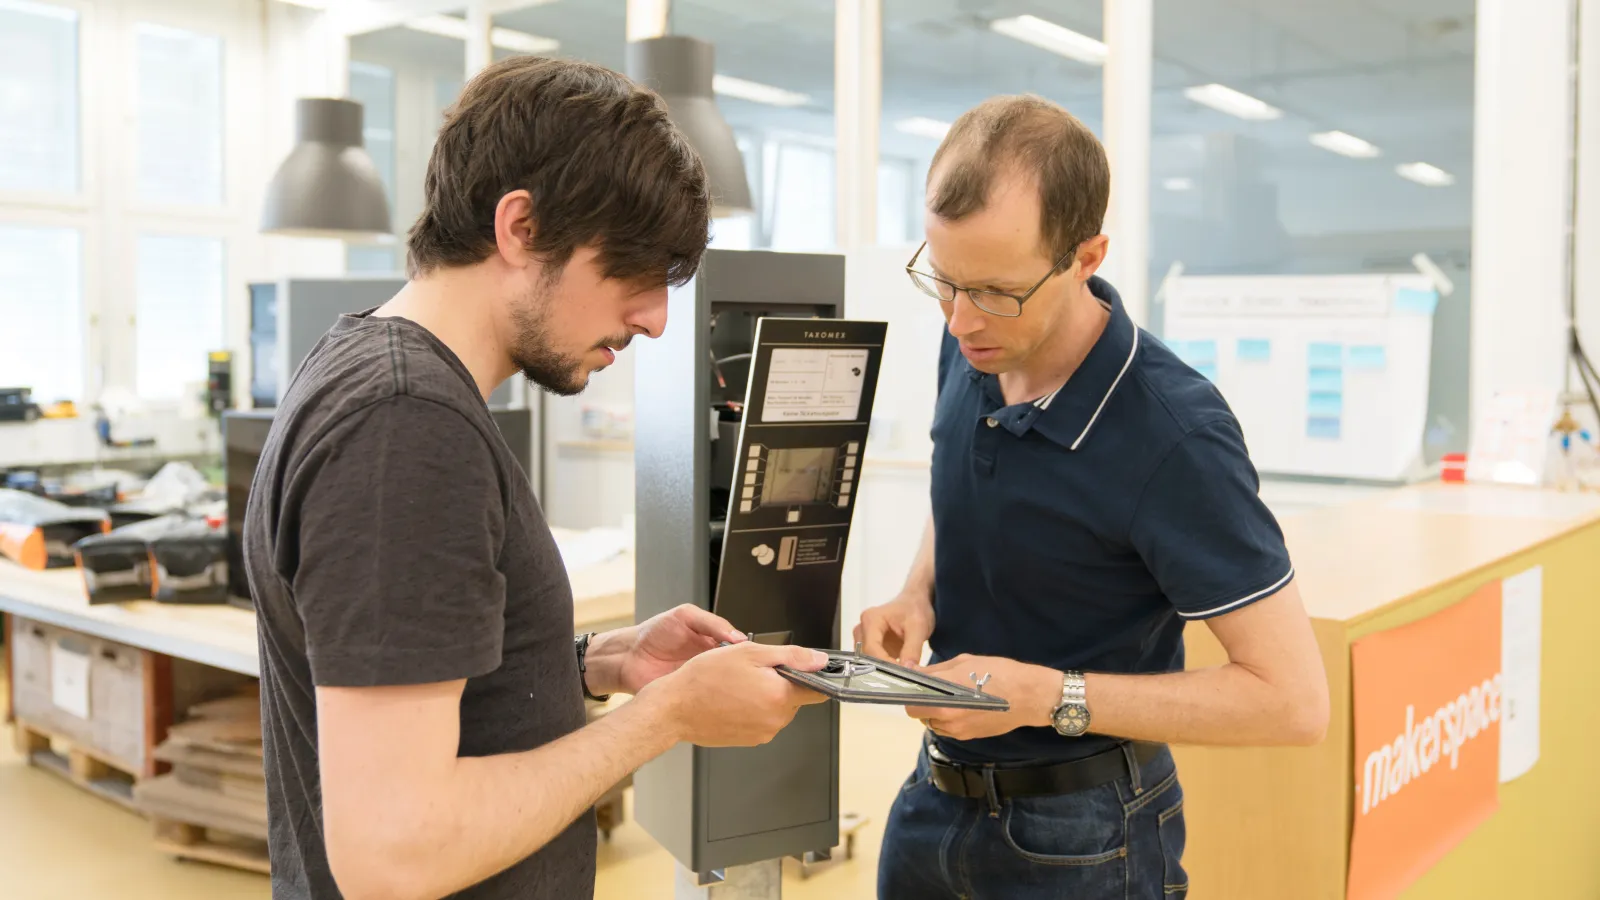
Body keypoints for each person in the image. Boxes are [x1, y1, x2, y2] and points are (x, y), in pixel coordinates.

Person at [244, 56, 827, 900]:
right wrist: (665, 718)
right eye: (632, 273)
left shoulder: (368, 367)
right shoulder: (406, 428)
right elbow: (393, 852)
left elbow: (414, 689)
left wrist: (600, 661)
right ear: (520, 226)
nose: (656, 319)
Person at [855, 95, 1331, 900]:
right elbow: (972, 477)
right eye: (944, 280)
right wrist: (918, 594)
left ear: (1086, 254)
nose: (962, 319)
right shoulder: (973, 336)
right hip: (931, 802)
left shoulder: (1175, 435)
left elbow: (1290, 703)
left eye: (997, 290)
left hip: (1085, 835)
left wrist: (1043, 696)